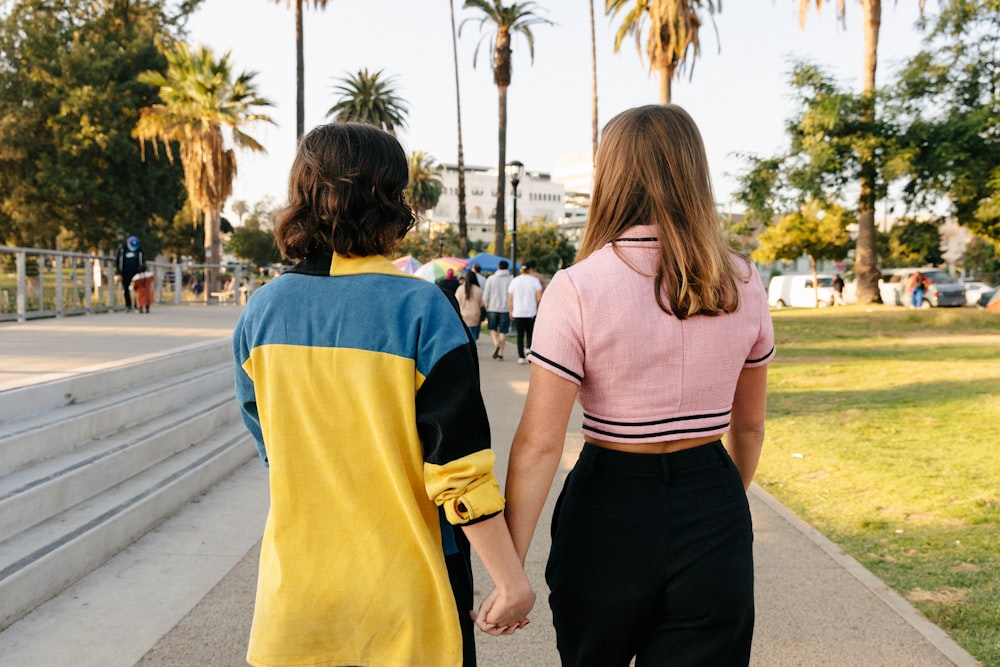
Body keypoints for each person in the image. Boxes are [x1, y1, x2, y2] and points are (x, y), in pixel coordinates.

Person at [232, 122, 533, 667]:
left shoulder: (261, 310)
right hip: (410, 592)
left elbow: (273, 447)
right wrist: (511, 581)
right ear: (389, 200)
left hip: (296, 592)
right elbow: (458, 468)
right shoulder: (421, 310)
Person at [501, 105, 775, 666]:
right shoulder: (744, 281)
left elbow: (539, 446)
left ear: (612, 176)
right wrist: (718, 505)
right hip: (711, 495)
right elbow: (749, 426)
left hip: (608, 506)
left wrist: (509, 569)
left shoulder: (577, 287)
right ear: (694, 172)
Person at [507, 258, 542, 365]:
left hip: (518, 312)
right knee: (530, 333)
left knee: (520, 335)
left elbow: (510, 298)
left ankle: (521, 356)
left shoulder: (514, 281)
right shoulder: (535, 281)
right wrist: (536, 306)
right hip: (531, 312)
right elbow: (539, 296)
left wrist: (510, 311)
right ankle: (528, 349)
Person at [482, 259, 514, 360]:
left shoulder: (491, 279)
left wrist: (487, 307)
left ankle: (496, 343)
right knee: (503, 331)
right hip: (506, 309)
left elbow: (486, 295)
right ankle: (500, 353)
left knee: (492, 329)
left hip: (492, 307)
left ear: (498, 267)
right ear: (507, 268)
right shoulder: (511, 279)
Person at [115, 235, 145, 311]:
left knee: (137, 289)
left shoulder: (139, 250)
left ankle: (137, 304)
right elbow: (118, 261)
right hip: (125, 272)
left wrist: (142, 271)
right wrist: (118, 273)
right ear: (127, 243)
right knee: (126, 289)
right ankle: (128, 305)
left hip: (136, 273)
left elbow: (143, 261)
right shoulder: (122, 250)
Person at [456, 269, 485, 341]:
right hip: (475, 315)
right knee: (474, 336)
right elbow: (481, 304)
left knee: (465, 335)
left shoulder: (460, 289)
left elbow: (456, 302)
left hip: (463, 314)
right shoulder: (478, 290)